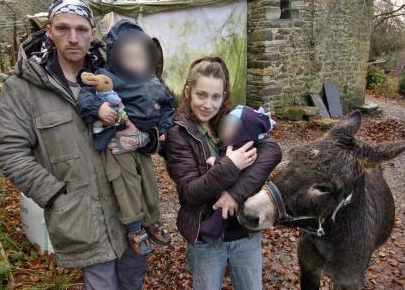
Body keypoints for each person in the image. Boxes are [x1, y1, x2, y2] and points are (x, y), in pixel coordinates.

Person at [0, 0, 157, 289]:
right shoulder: (22, 88)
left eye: (81, 29)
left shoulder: (117, 69)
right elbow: (10, 152)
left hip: (131, 208)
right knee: (101, 283)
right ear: (49, 30)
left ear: (92, 32)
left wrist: (147, 138)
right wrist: (56, 195)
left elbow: (153, 114)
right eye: (63, 28)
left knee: (133, 280)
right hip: (83, 217)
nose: (73, 38)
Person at [164, 57, 282, 290]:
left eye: (215, 97)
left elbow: (272, 149)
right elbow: (191, 193)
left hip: (245, 232)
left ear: (224, 95)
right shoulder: (178, 135)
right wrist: (231, 165)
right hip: (207, 240)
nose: (208, 104)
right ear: (188, 91)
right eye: (201, 95)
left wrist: (234, 195)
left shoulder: (233, 119)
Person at [77, 19, 174, 256]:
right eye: (128, 57)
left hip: (143, 142)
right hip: (115, 141)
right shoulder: (106, 76)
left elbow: (169, 106)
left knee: (149, 183)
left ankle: (152, 222)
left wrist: (162, 129)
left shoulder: (153, 80)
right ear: (115, 57)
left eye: (140, 56)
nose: (135, 62)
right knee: (127, 185)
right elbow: (85, 98)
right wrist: (99, 111)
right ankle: (134, 229)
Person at [200, 105, 276, 238]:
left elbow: (236, 163)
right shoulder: (234, 143)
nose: (225, 129)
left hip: (236, 189)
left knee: (223, 210)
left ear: (244, 131)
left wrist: (217, 161)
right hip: (220, 186)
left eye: (232, 127)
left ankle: (213, 227)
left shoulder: (245, 147)